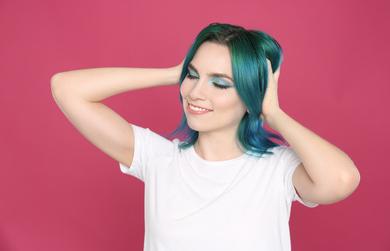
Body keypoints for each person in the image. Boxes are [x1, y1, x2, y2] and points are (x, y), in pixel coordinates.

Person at [51, 23, 360, 251]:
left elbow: (342, 179)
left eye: (220, 84)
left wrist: (273, 113)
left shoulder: (278, 169)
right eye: (193, 75)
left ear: (250, 95)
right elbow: (66, 89)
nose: (196, 93)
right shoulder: (158, 158)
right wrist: (175, 72)